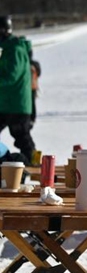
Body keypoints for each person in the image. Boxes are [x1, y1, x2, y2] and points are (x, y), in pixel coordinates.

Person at [0, 15, 36, 164]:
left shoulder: (16, 49)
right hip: (6, 103)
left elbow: (11, 76)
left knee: (22, 137)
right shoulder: (7, 49)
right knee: (22, 137)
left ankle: (35, 164)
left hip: (17, 104)